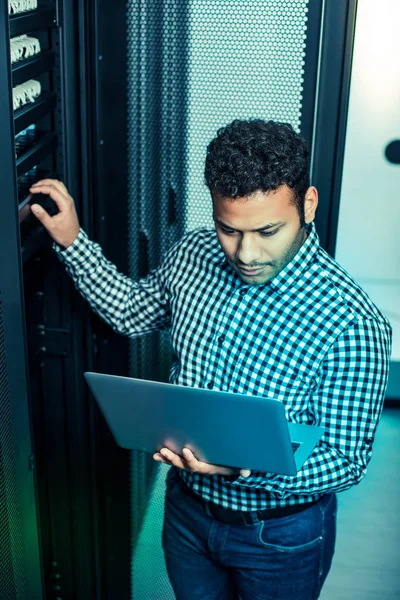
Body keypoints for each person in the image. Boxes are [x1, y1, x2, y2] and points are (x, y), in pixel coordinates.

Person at [29, 119, 392, 600]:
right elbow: (131, 311)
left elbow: (346, 462)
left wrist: (241, 467)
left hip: (279, 537)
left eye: (267, 231)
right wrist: (73, 241)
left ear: (307, 205)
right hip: (187, 513)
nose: (247, 252)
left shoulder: (352, 320)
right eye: (229, 229)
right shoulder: (194, 253)